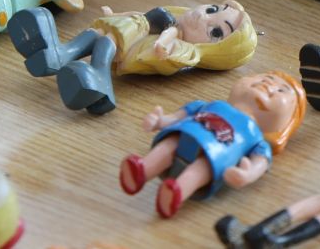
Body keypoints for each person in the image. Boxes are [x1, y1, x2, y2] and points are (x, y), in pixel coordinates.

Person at [11, 0, 257, 114]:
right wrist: (114, 13)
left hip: (134, 41)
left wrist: (162, 45)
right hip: (131, 27)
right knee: (97, 33)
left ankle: (99, 82)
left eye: (215, 31)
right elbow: (137, 13)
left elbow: (168, 36)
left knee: (106, 41)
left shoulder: (176, 33)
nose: (203, 16)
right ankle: (59, 54)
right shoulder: (169, 16)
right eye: (213, 10)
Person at [119, 71, 307, 219]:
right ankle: (142, 170)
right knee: (170, 143)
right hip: (186, 131)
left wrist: (247, 174)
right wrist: (161, 121)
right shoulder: (212, 105)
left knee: (202, 168)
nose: (269, 83)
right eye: (266, 77)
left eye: (282, 90)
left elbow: (261, 162)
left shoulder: (257, 138)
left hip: (216, 156)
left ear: (285, 123)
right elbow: (180, 116)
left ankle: (177, 193)